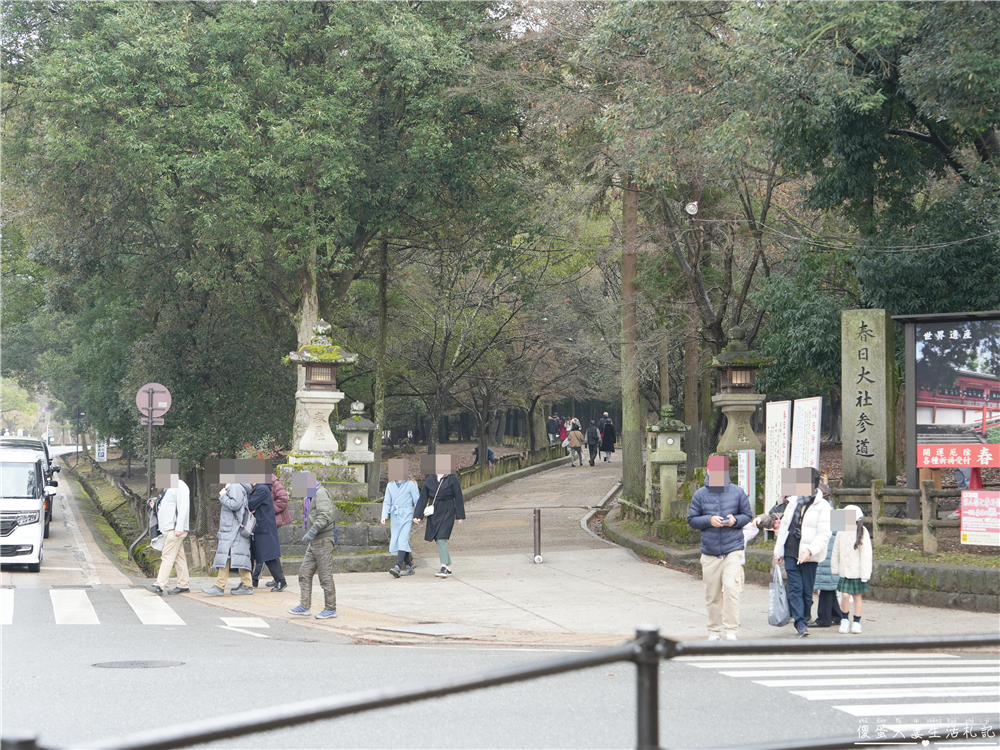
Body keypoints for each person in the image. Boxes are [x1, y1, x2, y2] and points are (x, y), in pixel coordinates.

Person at [687, 456, 752, 640]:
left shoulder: (737, 492)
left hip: (733, 548)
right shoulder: (700, 494)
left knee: (731, 589)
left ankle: (731, 630)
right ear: (708, 471)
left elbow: (747, 515)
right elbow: (692, 519)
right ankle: (714, 631)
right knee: (712, 594)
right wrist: (709, 520)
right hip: (710, 552)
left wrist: (734, 520)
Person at [772, 467, 832, 637]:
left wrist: (810, 550)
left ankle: (804, 617)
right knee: (795, 588)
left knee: (807, 591)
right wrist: (779, 552)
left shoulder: (823, 506)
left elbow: (824, 533)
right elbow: (784, 528)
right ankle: (800, 622)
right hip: (791, 550)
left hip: (809, 555)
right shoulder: (792, 502)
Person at [288, 475, 339, 619]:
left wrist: (312, 531)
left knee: (325, 575)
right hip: (315, 540)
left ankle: (331, 608)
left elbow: (325, 514)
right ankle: (304, 606)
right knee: (304, 573)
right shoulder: (310, 495)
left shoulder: (320, 493)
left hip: (323, 539)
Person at [413, 454, 465, 578]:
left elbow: (458, 497)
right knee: (438, 538)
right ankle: (448, 566)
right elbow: (423, 499)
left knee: (442, 537)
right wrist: (418, 515)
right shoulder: (430, 480)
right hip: (434, 511)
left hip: (448, 510)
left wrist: (459, 515)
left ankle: (443, 567)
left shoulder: (452, 479)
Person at [202, 482, 254, 596]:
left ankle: (219, 586)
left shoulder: (235, 486)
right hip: (234, 528)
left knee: (225, 556)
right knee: (239, 556)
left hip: (231, 529)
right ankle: (247, 584)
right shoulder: (238, 486)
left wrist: (223, 496)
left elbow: (235, 504)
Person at [147, 460, 190, 595]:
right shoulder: (169, 487)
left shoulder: (180, 486)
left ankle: (159, 585)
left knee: (167, 557)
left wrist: (179, 527)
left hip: (174, 529)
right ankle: (183, 584)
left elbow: (183, 508)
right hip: (170, 528)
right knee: (179, 558)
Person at [831, 504, 872, 634]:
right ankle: (844, 620)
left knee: (857, 597)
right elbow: (835, 550)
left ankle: (856, 622)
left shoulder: (863, 531)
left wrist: (865, 573)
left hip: (857, 571)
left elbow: (866, 554)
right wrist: (835, 567)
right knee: (844, 595)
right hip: (845, 570)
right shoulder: (841, 530)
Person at [381, 459, 420, 577]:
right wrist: (384, 515)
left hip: (407, 513)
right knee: (398, 540)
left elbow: (417, 500)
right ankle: (409, 565)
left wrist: (417, 515)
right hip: (395, 515)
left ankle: (397, 566)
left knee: (402, 539)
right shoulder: (390, 485)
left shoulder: (411, 484)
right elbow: (387, 501)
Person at [248, 481, 287, 591]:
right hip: (260, 525)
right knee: (259, 554)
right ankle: (250, 580)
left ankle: (280, 580)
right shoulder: (258, 488)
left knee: (269, 555)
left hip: (264, 526)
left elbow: (250, 504)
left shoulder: (262, 489)